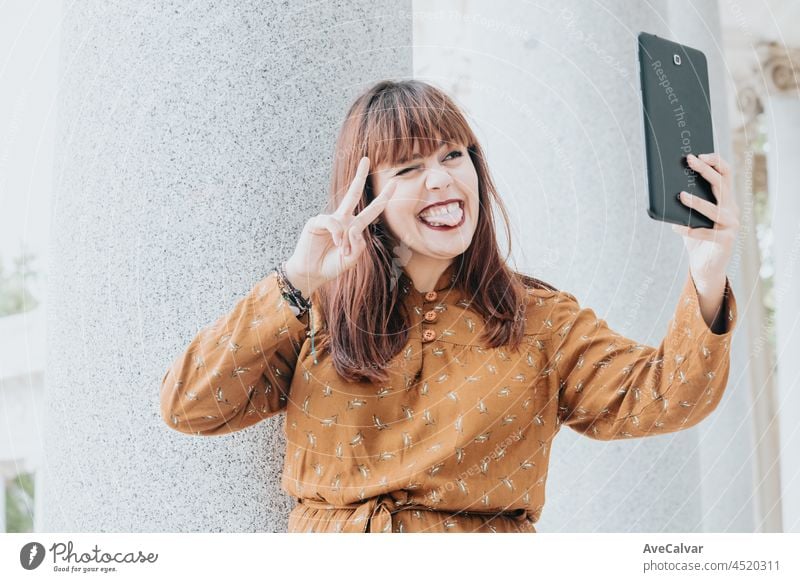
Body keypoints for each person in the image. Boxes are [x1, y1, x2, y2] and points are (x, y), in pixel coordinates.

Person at [160, 79, 739, 533]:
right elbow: (189, 406)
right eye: (409, 168)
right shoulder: (314, 311)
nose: (440, 180)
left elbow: (666, 395)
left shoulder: (540, 320)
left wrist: (707, 272)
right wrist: (294, 281)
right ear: (368, 196)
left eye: (454, 156)